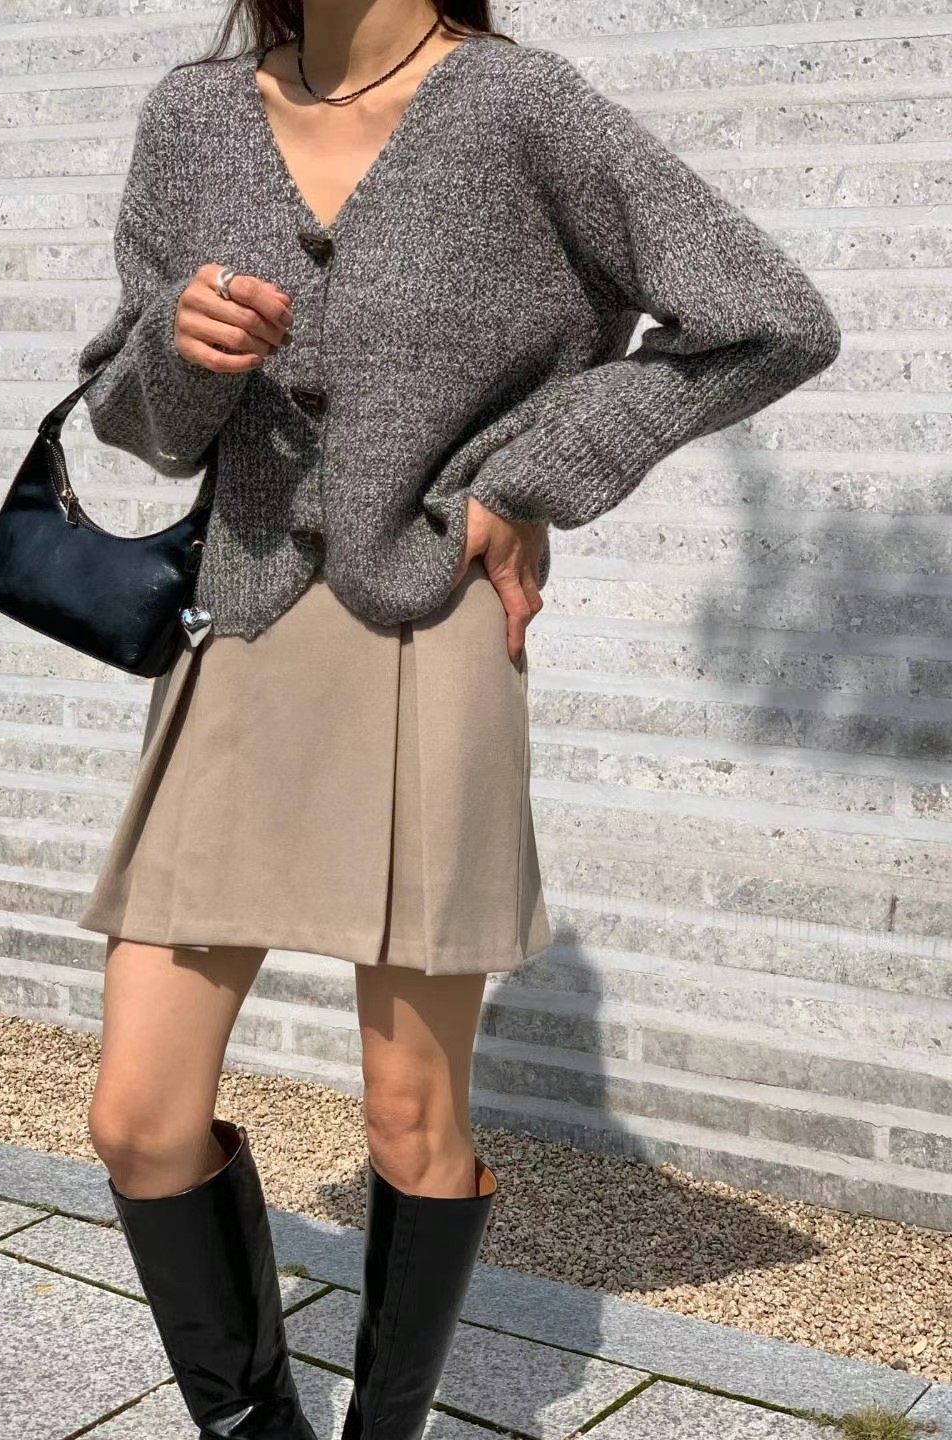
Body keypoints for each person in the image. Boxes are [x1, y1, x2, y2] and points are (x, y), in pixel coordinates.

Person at [73, 3, 842, 1438]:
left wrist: (531, 473)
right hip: (240, 632)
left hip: (427, 630)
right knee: (138, 1115)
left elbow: (769, 317)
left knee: (409, 1116)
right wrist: (181, 349)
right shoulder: (192, 117)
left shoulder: (516, 107)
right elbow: (139, 419)